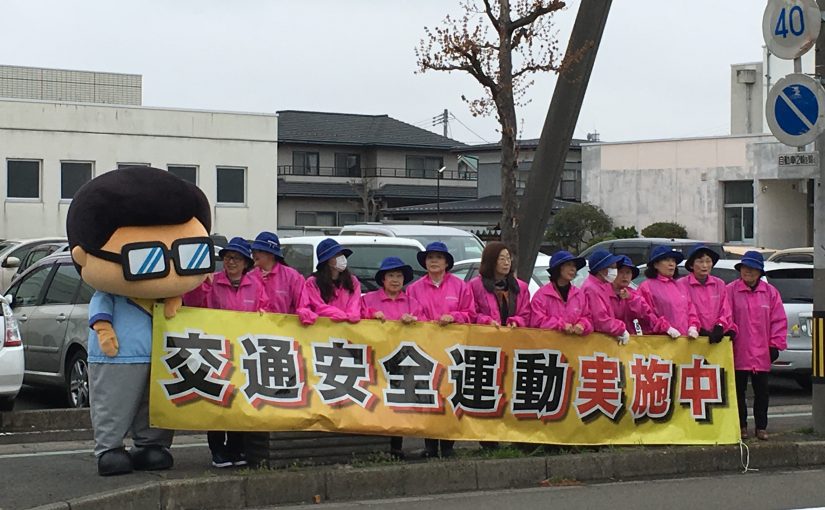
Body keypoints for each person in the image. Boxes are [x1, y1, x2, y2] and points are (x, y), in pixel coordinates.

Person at [67, 166, 213, 476]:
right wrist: (105, 331)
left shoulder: (168, 298)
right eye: (145, 259)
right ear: (83, 256)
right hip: (118, 355)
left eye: (189, 255)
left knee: (156, 404)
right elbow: (100, 313)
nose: (170, 270)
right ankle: (109, 448)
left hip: (162, 357)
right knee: (113, 403)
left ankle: (151, 446)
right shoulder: (110, 295)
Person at [183, 237, 269, 468]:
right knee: (217, 400)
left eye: (236, 258)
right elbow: (193, 303)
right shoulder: (213, 282)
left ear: (245, 263)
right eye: (228, 257)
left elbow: (265, 309)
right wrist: (202, 282)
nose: (231, 262)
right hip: (216, 352)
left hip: (244, 352)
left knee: (240, 400)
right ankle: (217, 449)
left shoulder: (255, 284)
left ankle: (236, 447)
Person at [407, 241, 475, 458]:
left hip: (453, 351)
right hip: (426, 349)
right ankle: (430, 445)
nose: (433, 261)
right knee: (429, 395)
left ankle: (448, 446)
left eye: (438, 257)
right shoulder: (414, 288)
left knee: (450, 395)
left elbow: (470, 313)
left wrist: (453, 317)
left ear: (446, 262)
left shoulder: (460, 286)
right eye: (429, 257)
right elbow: (411, 314)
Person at [361, 256, 423, 459]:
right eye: (391, 276)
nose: (395, 280)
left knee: (398, 403)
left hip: (402, 363)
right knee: (375, 402)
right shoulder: (368, 300)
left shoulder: (413, 303)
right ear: (383, 279)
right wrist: (371, 315)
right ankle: (376, 447)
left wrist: (414, 321)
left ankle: (396, 446)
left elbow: (426, 327)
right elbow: (357, 316)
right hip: (374, 361)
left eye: (399, 276)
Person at [727, 251, 787, 441]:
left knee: (762, 392)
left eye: (752, 269)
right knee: (738, 390)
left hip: (761, 351)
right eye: (745, 268)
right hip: (738, 350)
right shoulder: (730, 291)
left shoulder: (770, 293)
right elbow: (726, 317)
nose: (748, 272)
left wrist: (775, 344)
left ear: (760, 272)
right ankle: (741, 425)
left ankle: (761, 427)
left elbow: (778, 320)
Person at [637, 246, 700, 340]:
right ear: (656, 265)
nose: (671, 264)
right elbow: (644, 313)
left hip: (684, 342)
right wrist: (666, 328)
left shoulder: (680, 286)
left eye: (673, 261)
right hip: (660, 343)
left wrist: (693, 326)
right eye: (667, 260)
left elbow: (690, 309)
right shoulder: (646, 287)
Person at [678, 244, 735, 344]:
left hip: (716, 339)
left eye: (708, 261)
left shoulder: (719, 284)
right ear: (691, 265)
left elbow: (725, 310)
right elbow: (680, 312)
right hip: (690, 339)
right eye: (700, 261)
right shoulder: (681, 285)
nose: (705, 265)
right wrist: (697, 329)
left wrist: (720, 326)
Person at [297, 238, 361, 325]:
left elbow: (355, 304)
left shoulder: (353, 281)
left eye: (342, 254)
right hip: (322, 330)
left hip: (347, 330)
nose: (341, 258)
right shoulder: (312, 283)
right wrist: (337, 314)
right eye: (336, 255)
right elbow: (316, 306)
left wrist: (351, 316)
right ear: (327, 261)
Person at [468, 241, 531, 328]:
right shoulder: (475, 285)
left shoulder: (521, 287)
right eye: (502, 259)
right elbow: (471, 313)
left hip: (513, 337)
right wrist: (487, 321)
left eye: (508, 259)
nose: (506, 263)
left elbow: (526, 314)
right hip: (485, 337)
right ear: (491, 261)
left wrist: (516, 322)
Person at [530, 251, 591, 335]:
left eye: (574, 266)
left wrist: (583, 324)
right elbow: (536, 322)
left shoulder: (580, 295)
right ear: (558, 268)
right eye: (569, 265)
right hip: (548, 346)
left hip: (575, 346)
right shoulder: (541, 295)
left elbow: (588, 317)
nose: (573, 269)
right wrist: (560, 325)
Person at [580, 250, 629, 344]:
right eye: (612, 267)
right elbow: (600, 320)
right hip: (594, 342)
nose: (615, 271)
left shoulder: (602, 286)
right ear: (601, 269)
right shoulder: (591, 289)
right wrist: (620, 328)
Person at [611, 256, 668, 335]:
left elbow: (646, 315)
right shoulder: (605, 293)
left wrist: (631, 298)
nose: (625, 276)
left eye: (628, 272)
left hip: (632, 341)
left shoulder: (634, 294)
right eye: (621, 272)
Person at [249, 231, 304, 314]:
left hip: (284, 326)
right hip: (255, 326)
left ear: (271, 254)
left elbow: (302, 305)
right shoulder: (249, 277)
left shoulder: (292, 277)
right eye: (253, 250)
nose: (254, 254)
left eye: (259, 250)